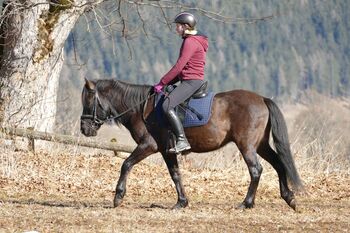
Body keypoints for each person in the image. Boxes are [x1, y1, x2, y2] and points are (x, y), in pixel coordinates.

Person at [153, 12, 209, 154]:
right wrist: (167, 83)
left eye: (178, 26)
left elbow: (179, 66)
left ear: (185, 26)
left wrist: (162, 82)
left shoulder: (190, 42)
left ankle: (182, 140)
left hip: (191, 82)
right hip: (190, 80)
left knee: (166, 105)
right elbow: (182, 70)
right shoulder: (194, 40)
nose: (176, 29)